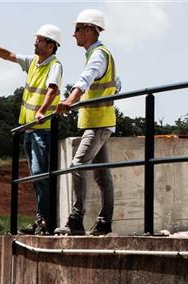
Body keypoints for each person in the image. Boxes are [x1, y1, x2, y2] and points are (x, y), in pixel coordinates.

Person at [0, 25, 63, 235]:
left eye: (39, 40)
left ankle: (46, 221)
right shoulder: (33, 62)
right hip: (29, 129)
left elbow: (53, 90)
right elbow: (7, 55)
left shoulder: (54, 65)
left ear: (51, 45)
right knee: (36, 177)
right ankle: (41, 219)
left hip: (43, 129)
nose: (35, 42)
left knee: (40, 176)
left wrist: (41, 111)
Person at [53, 9, 120, 236]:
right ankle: (104, 223)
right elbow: (117, 83)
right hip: (100, 122)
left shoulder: (98, 55)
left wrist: (69, 100)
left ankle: (76, 219)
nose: (74, 34)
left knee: (77, 165)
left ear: (90, 30)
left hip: (98, 124)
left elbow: (85, 80)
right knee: (102, 175)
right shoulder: (100, 54)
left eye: (77, 29)